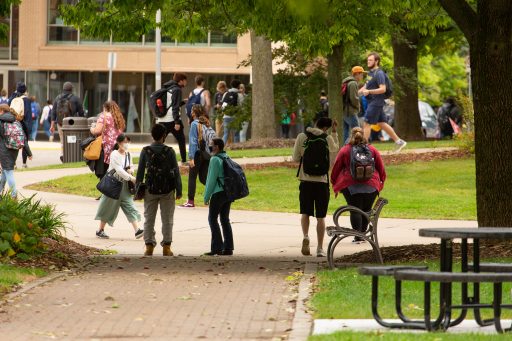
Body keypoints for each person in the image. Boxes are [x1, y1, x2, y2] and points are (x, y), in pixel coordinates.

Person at [292, 117, 340, 257]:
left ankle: (306, 236)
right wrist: (334, 133)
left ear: (316, 123)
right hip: (321, 182)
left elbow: (295, 158)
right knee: (321, 217)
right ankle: (320, 248)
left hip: (305, 181)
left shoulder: (302, 136)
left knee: (305, 212)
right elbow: (335, 149)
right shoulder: (327, 138)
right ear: (326, 128)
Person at [330, 127, 386, 242]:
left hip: (351, 186)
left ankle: (358, 236)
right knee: (366, 210)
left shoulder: (345, 150)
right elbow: (381, 168)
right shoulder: (372, 149)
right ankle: (362, 235)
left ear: (351, 136)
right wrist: (381, 182)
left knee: (355, 210)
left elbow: (336, 168)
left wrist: (333, 181)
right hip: (371, 186)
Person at [136, 124, 182, 256]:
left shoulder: (145, 151)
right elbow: (176, 172)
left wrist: (138, 190)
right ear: (164, 136)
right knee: (167, 219)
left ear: (152, 135)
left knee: (149, 218)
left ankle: (149, 246)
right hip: (167, 190)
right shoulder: (170, 151)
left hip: (150, 189)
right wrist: (178, 190)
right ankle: (166, 247)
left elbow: (140, 173)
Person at [95, 134, 142, 239]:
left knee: (130, 206)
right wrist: (131, 178)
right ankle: (100, 230)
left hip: (124, 186)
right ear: (119, 143)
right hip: (113, 185)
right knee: (107, 207)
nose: (126, 144)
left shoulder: (128, 154)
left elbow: (131, 166)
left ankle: (137, 230)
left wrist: (131, 170)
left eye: (128, 142)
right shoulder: (114, 154)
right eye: (125, 142)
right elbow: (119, 170)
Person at [358, 52, 407, 153]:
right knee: (382, 123)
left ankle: (364, 148)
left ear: (376, 61)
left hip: (376, 101)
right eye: (368, 60)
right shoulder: (370, 73)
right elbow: (366, 86)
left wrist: (369, 92)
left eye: (370, 60)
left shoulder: (379, 73)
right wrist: (356, 92)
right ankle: (399, 141)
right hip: (372, 101)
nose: (368, 62)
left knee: (367, 123)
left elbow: (383, 89)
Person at [203, 138, 234, 256]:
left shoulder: (215, 159)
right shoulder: (226, 156)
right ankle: (228, 248)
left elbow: (210, 181)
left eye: (211, 145)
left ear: (217, 147)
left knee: (212, 219)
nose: (210, 147)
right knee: (225, 219)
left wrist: (206, 197)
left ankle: (217, 247)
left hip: (218, 193)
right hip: (228, 193)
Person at [0, 103, 32, 198]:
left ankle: (14, 196)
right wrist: (29, 153)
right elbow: (24, 139)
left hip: (4, 150)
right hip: (14, 149)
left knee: (8, 172)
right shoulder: (16, 121)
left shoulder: (1, 122)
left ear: (1, 111)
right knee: (5, 171)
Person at [156, 73, 188, 164]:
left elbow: (170, 104)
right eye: (185, 80)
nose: (186, 82)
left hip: (162, 119)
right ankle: (183, 161)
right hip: (172, 120)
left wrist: (182, 102)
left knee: (159, 141)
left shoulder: (167, 88)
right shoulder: (177, 90)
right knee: (181, 140)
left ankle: (155, 159)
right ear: (181, 81)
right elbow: (175, 107)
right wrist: (177, 122)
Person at [90, 101, 125, 179]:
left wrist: (91, 129)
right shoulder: (118, 117)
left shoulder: (104, 116)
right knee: (115, 168)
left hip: (107, 147)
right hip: (118, 145)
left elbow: (97, 131)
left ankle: (105, 186)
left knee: (104, 170)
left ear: (105, 108)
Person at [50, 82, 84, 162]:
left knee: (62, 140)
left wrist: (52, 125)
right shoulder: (75, 98)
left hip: (60, 123)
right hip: (72, 124)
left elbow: (53, 112)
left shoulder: (57, 98)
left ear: (63, 89)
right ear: (71, 89)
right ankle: (71, 155)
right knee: (72, 139)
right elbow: (81, 112)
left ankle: (62, 154)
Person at [181, 104, 207, 208]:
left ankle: (190, 201)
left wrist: (191, 158)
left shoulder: (194, 124)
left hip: (196, 154)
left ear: (194, 113)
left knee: (192, 177)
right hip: (206, 154)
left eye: (192, 111)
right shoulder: (206, 123)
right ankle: (217, 193)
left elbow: (193, 142)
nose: (191, 113)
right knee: (204, 178)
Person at [8, 82, 32, 168]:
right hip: (22, 123)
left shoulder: (13, 98)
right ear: (25, 90)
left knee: (13, 143)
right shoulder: (26, 100)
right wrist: (29, 127)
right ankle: (24, 163)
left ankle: (13, 163)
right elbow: (28, 114)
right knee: (24, 143)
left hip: (13, 122)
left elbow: (8, 106)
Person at [342, 66, 364, 143]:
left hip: (344, 110)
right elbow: (354, 98)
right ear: (357, 74)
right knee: (357, 131)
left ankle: (344, 150)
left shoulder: (346, 82)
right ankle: (358, 148)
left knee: (345, 132)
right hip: (350, 111)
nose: (362, 76)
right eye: (361, 74)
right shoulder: (353, 83)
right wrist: (358, 107)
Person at [222, 79, 244, 145]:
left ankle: (220, 148)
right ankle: (236, 148)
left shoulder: (226, 93)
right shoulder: (240, 95)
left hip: (226, 116)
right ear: (238, 86)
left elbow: (223, 104)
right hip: (236, 117)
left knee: (225, 134)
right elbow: (241, 106)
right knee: (236, 134)